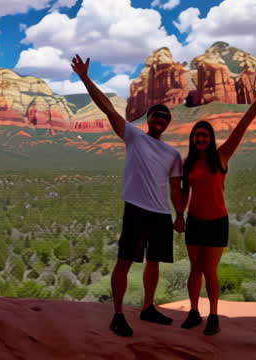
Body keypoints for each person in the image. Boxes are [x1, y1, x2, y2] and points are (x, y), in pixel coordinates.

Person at [71, 54, 186, 338]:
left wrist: (181, 214)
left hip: (161, 213)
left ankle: (148, 307)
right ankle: (119, 314)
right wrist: (85, 78)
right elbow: (108, 109)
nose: (160, 120)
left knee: (154, 262)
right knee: (124, 260)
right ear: (149, 119)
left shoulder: (173, 154)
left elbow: (175, 188)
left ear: (168, 123)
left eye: (165, 117)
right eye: (156, 116)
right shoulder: (134, 136)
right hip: (136, 208)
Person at [180, 66, 256, 336]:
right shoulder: (187, 163)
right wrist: (179, 215)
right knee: (194, 270)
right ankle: (193, 312)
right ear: (193, 139)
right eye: (197, 135)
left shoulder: (222, 156)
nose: (200, 138)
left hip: (216, 222)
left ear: (210, 139)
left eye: (204, 135)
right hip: (195, 222)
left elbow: (245, 122)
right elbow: (182, 193)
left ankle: (213, 315)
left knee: (210, 271)